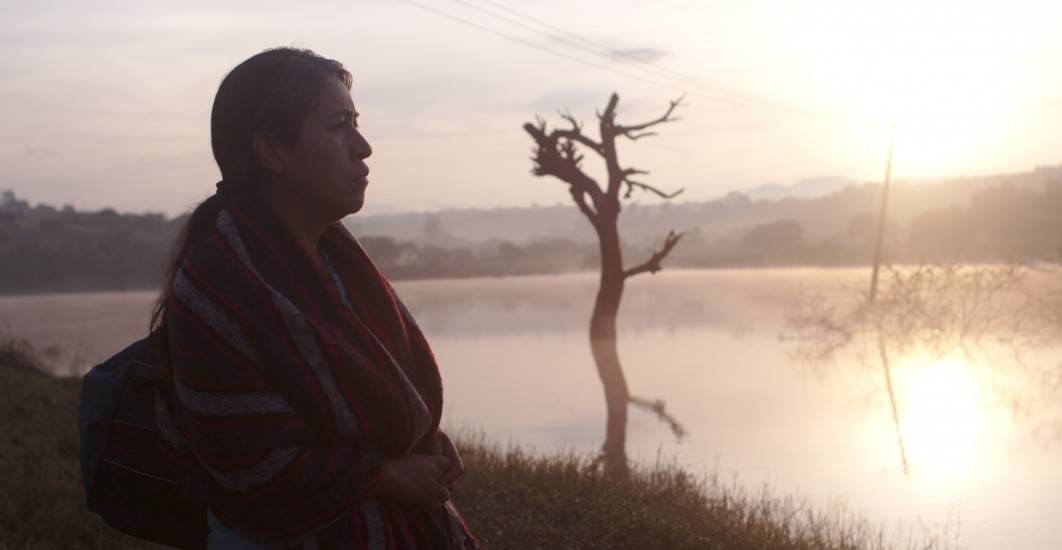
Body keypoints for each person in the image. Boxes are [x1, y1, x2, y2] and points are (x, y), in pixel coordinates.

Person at [147, 47, 479, 549]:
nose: (362, 147)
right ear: (272, 151)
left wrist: (421, 444)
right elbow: (248, 466)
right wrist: (385, 475)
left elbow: (371, 408)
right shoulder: (221, 284)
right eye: (338, 126)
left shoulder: (334, 263)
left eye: (357, 123)